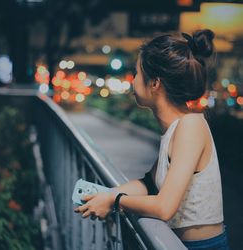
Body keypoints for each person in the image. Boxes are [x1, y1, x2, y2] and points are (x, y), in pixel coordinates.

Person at [74, 29, 230, 250]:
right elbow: (148, 184)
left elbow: (165, 206)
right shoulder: (175, 129)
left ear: (155, 83)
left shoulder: (191, 125)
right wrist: (102, 195)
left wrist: (114, 202)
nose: (132, 80)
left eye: (136, 73)